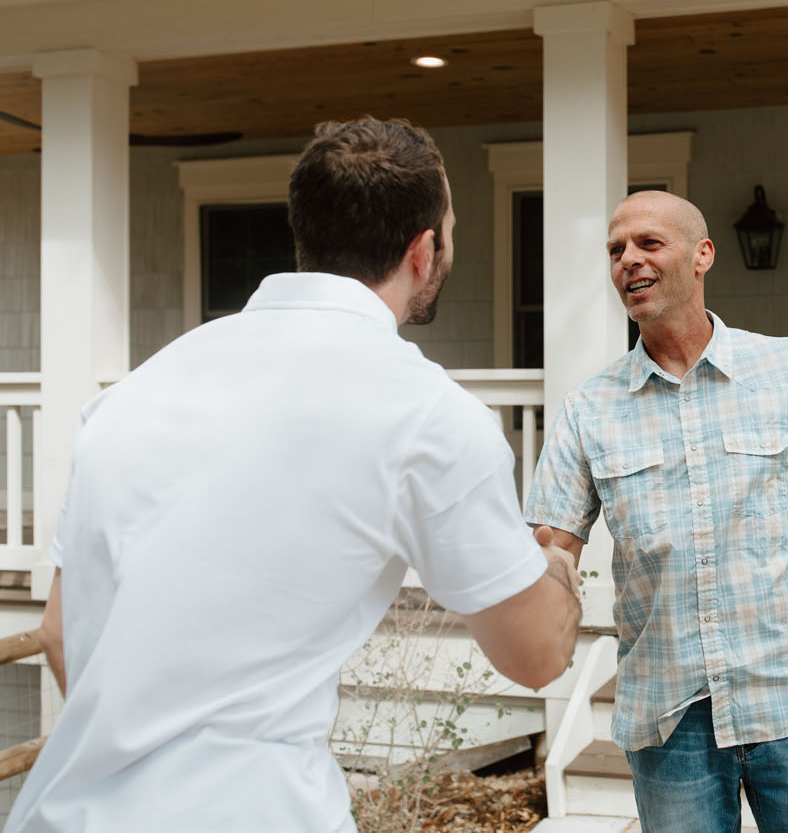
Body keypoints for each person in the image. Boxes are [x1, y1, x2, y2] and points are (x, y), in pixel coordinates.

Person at [8, 117, 582, 832]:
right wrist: (557, 571)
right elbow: (536, 655)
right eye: (451, 233)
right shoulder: (428, 414)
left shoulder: (129, 395)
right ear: (423, 249)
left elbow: (58, 632)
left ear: (306, 234)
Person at [526, 190, 788, 832]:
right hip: (670, 721)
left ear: (702, 255)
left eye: (649, 243)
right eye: (616, 250)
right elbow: (552, 551)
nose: (629, 260)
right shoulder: (588, 409)